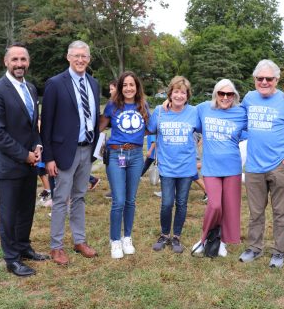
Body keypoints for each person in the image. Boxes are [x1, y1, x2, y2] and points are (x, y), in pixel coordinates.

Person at [0, 43, 48, 277]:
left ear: (28, 62)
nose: (19, 64)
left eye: (23, 59)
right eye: (15, 60)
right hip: (9, 165)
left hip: (30, 163)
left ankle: (23, 247)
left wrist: (38, 146)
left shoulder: (30, 88)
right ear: (6, 62)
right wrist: (25, 154)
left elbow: (33, 126)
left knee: (26, 210)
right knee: (9, 214)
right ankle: (12, 259)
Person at [41, 40, 101, 265]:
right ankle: (56, 246)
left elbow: (93, 117)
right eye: (76, 55)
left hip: (87, 149)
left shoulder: (94, 83)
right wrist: (49, 157)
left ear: (89, 58)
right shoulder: (55, 83)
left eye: (84, 56)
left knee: (80, 197)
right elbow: (46, 124)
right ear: (68, 57)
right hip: (64, 152)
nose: (80, 60)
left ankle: (79, 240)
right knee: (60, 200)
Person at [239, 59, 284, 269]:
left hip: (279, 166)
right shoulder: (248, 98)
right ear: (255, 79)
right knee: (255, 212)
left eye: (269, 78)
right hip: (254, 167)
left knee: (280, 212)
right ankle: (254, 248)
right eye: (260, 78)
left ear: (277, 79)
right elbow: (231, 113)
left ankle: (279, 251)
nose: (264, 81)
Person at [190, 79, 247, 257]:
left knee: (229, 207)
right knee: (215, 205)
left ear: (234, 96)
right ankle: (204, 238)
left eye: (229, 94)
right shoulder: (203, 108)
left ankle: (222, 241)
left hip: (232, 167)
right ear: (215, 94)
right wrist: (167, 103)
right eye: (221, 93)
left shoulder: (241, 112)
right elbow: (183, 109)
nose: (225, 97)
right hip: (211, 167)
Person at [99, 71, 150, 259]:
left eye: (132, 85)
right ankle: (115, 240)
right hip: (116, 154)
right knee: (118, 200)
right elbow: (100, 127)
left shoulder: (143, 105)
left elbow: (150, 127)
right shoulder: (113, 105)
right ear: (120, 87)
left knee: (131, 200)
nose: (128, 88)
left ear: (137, 87)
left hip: (136, 155)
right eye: (125, 85)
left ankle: (127, 236)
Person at [147, 76, 197, 253]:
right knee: (167, 203)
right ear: (170, 93)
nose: (179, 95)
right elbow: (149, 129)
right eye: (176, 91)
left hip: (186, 167)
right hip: (167, 167)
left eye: (183, 92)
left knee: (182, 203)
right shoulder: (160, 112)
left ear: (187, 95)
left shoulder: (194, 112)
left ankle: (176, 236)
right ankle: (164, 234)